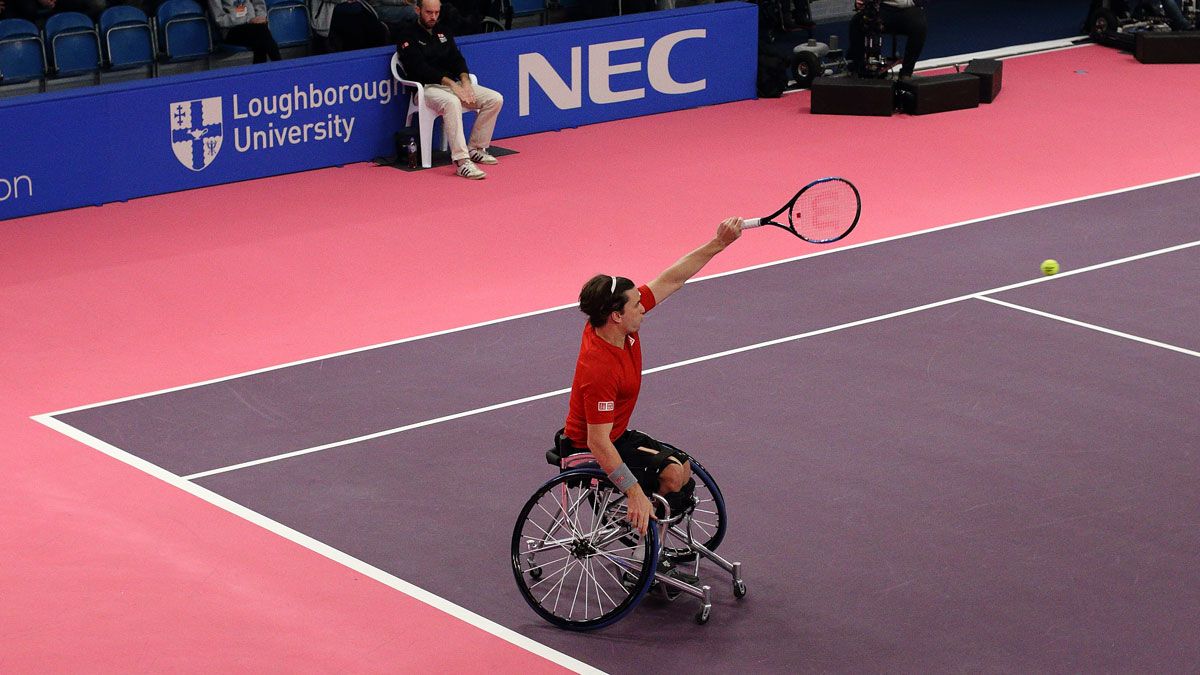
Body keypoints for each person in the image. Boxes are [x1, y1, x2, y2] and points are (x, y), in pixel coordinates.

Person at [562, 217, 743, 536]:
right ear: (616, 316)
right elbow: (597, 441)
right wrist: (633, 493)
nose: (644, 307)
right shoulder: (600, 367)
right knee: (673, 475)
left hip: (616, 434)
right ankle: (643, 550)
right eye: (636, 305)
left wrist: (720, 243)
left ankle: (651, 533)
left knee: (683, 466)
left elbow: (672, 279)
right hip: (589, 446)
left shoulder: (614, 326)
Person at [396, 0, 504, 179]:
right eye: (429, 12)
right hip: (426, 90)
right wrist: (453, 85)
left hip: (452, 86)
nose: (433, 17)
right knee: (452, 102)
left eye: (437, 13)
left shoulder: (443, 31)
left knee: (494, 99)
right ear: (418, 10)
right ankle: (462, 162)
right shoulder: (407, 36)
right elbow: (420, 69)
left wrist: (466, 82)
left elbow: (456, 59)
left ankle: (476, 148)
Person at [847, 0, 927, 79]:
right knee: (857, 22)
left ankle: (906, 72)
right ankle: (857, 67)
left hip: (909, 8)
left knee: (919, 26)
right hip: (882, 7)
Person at [207, 0, 281, 63]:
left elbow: (259, 4)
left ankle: (261, 75)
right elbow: (219, 20)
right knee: (262, 33)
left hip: (254, 26)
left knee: (261, 35)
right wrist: (248, 20)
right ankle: (281, 69)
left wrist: (259, 18)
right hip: (230, 29)